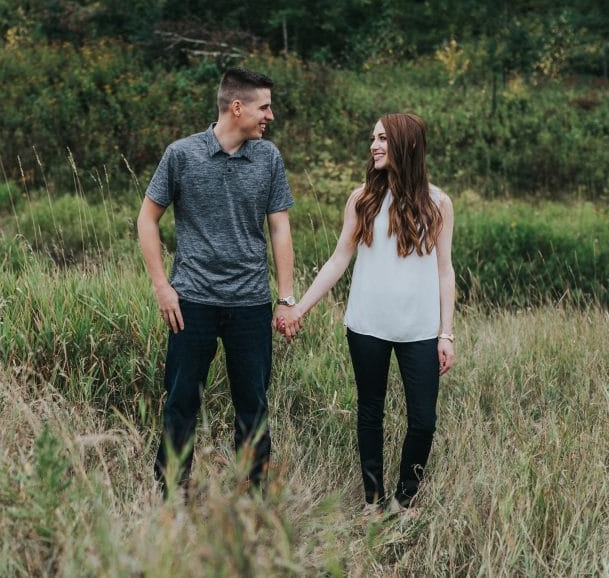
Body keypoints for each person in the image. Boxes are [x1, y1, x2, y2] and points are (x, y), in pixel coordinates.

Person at [276, 112, 455, 514]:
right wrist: (299, 307)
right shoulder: (362, 200)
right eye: (373, 139)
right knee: (371, 413)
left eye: (383, 139)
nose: (374, 145)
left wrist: (446, 333)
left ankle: (403, 501)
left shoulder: (438, 203)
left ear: (406, 145)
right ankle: (374, 502)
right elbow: (338, 260)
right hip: (367, 326)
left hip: (420, 330)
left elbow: (446, 270)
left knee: (423, 420)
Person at [137, 67, 300, 496]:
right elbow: (147, 219)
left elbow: (280, 228)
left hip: (250, 303)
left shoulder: (268, 158)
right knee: (181, 403)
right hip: (191, 301)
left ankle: (259, 499)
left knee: (253, 407)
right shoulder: (182, 155)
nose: (271, 115)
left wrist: (285, 298)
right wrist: (161, 286)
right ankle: (171, 496)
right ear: (237, 107)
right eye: (264, 107)